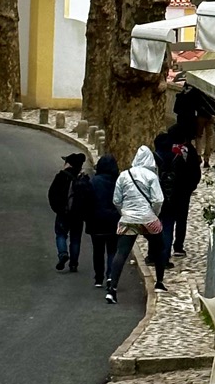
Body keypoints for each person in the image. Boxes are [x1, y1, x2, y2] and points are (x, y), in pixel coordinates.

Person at [105, 144, 166, 303]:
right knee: (159, 247)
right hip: (148, 218)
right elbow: (158, 200)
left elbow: (116, 200)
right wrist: (154, 214)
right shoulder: (152, 176)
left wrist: (124, 213)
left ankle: (112, 290)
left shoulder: (124, 175)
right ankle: (159, 282)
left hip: (128, 219)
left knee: (121, 252)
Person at [159, 122, 203, 259]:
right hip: (183, 191)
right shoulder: (188, 150)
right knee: (181, 220)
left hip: (165, 191)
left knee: (166, 221)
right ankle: (178, 247)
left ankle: (163, 249)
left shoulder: (163, 148)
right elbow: (196, 172)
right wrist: (191, 187)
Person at [77, 153, 120, 287]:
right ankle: (110, 275)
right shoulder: (119, 182)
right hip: (113, 220)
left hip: (96, 221)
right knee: (112, 250)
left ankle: (98, 278)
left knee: (98, 250)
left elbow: (87, 201)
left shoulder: (93, 181)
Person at [48, 151, 86, 271]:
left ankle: (63, 253)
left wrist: (58, 209)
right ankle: (74, 264)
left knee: (61, 234)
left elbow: (52, 194)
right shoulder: (83, 179)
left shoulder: (61, 176)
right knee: (75, 239)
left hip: (63, 213)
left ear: (68, 164)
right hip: (78, 215)